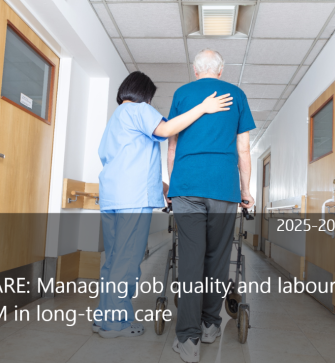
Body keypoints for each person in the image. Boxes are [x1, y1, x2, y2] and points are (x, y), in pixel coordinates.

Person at [94, 71, 233, 338]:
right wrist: (203, 107)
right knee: (127, 262)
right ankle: (115, 324)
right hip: (132, 200)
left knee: (112, 261)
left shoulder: (115, 119)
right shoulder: (139, 109)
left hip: (112, 197)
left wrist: (164, 187)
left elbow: (127, 161)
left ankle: (103, 317)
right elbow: (167, 130)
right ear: (143, 93)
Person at [167, 49, 256, 362]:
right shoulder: (237, 95)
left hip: (187, 187)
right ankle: (209, 326)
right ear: (221, 71)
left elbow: (173, 143)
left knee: (190, 260)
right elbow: (243, 150)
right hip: (223, 187)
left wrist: (172, 184)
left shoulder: (181, 93)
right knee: (217, 257)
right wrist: (246, 190)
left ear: (195, 70)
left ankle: (187, 340)